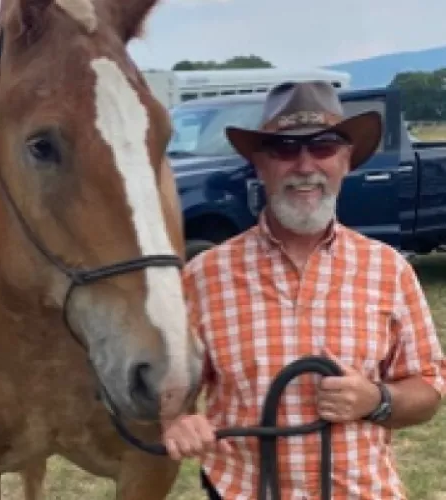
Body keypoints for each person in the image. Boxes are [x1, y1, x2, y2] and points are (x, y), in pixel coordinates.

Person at [161, 81, 446, 499]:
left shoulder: (390, 270)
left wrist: (377, 399)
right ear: (260, 164)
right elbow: (170, 388)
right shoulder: (204, 277)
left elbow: (428, 388)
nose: (305, 165)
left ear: (346, 161)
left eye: (324, 147)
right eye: (284, 149)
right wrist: (176, 420)